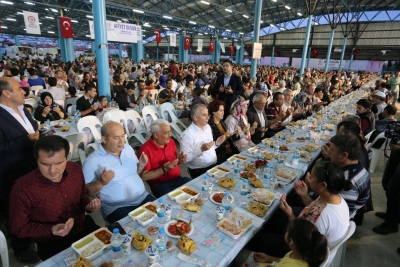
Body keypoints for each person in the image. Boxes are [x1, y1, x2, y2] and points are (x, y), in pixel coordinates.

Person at [9, 136, 101, 261]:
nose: (52, 170)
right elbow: (18, 227)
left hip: (83, 227)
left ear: (67, 157)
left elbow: (81, 196)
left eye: (59, 163)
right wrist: (51, 229)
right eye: (45, 164)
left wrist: (88, 205)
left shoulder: (75, 169)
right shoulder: (22, 188)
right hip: (52, 242)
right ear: (36, 159)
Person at [248, 161, 349, 262]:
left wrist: (272, 259)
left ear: (323, 185)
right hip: (303, 234)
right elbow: (314, 209)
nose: (308, 178)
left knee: (254, 239)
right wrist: (304, 195)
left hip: (301, 250)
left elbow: (301, 250)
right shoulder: (334, 197)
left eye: (312, 176)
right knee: (273, 222)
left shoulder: (321, 217)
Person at [0, 78, 40, 263]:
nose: (24, 91)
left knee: (34, 204)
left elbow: (32, 130)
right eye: (19, 89)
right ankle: (21, 246)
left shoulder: (23, 110)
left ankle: (37, 234)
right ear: (6, 93)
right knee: (17, 210)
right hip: (11, 172)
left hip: (32, 166)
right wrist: (27, 140)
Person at [83, 122, 155, 223]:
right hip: (117, 207)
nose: (121, 141)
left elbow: (134, 173)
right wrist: (101, 182)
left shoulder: (128, 149)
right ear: (104, 139)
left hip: (143, 197)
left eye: (122, 136)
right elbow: (87, 192)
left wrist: (141, 165)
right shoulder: (92, 161)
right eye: (116, 138)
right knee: (134, 232)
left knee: (163, 216)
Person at [238, 219, 327, 267]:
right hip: (272, 264)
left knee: (237, 256)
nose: (285, 233)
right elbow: (285, 260)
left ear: (291, 241)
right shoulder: (300, 253)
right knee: (240, 254)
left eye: (287, 231)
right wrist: (269, 258)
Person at [138, 119, 191, 198]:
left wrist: (179, 160)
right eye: (166, 133)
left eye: (170, 131)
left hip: (178, 179)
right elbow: (144, 176)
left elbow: (172, 164)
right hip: (160, 185)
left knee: (196, 187)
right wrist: (163, 169)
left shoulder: (171, 142)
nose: (170, 135)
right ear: (156, 135)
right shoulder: (145, 150)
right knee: (179, 199)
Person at [321, 134, 371, 214]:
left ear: (344, 155)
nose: (329, 152)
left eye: (332, 150)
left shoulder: (346, 182)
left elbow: (338, 214)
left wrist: (305, 195)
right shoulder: (360, 168)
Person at [180, 104, 226, 178]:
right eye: (204, 115)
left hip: (214, 165)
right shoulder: (187, 135)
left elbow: (208, 148)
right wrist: (201, 150)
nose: (208, 117)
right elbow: (185, 159)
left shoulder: (207, 127)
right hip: (200, 170)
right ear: (196, 118)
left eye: (208, 115)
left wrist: (217, 144)